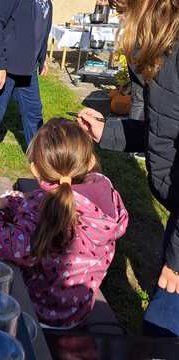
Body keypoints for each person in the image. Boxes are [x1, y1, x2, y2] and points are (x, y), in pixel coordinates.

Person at [77, 0, 179, 337]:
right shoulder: (162, 52)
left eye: (123, 9)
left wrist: (177, 260)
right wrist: (108, 132)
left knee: (161, 334)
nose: (120, 17)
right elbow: (161, 132)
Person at [0, 118, 129, 328]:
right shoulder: (104, 191)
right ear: (89, 161)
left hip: (40, 309)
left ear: (35, 169)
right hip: (78, 308)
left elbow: (19, 248)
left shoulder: (41, 204)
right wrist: (10, 202)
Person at [0, 0, 53, 172]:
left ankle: (41, 163)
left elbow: (39, 28)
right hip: (4, 64)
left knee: (34, 113)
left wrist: (41, 57)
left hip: (26, 66)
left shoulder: (46, 1)